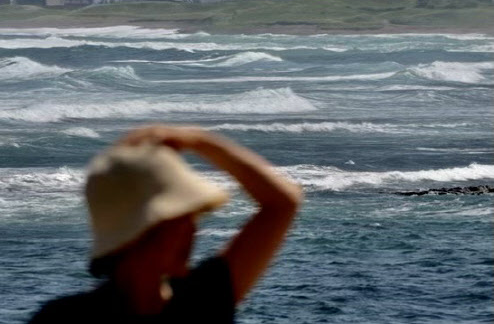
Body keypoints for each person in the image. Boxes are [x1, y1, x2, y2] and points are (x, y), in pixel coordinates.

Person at [28, 124, 303, 323]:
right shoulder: (64, 318)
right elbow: (281, 204)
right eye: (179, 220)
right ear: (139, 231)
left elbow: (283, 204)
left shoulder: (201, 298)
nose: (193, 230)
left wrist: (197, 139)